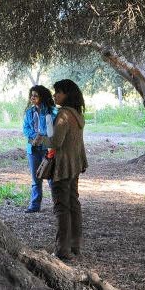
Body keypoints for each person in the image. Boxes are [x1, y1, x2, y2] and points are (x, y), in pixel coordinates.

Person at [49, 79, 88, 261]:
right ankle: (75, 246)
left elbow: (56, 141)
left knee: (62, 207)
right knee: (73, 204)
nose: (55, 95)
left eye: (58, 92)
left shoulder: (64, 114)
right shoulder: (77, 115)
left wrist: (41, 139)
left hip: (62, 167)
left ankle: (62, 250)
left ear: (67, 94)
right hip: (75, 165)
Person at [22, 85, 57, 213]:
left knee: (51, 177)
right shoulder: (29, 112)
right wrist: (34, 136)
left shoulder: (51, 110)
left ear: (42, 96)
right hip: (32, 148)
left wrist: (41, 135)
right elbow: (25, 128)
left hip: (47, 147)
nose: (32, 98)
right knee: (35, 178)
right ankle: (34, 206)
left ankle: (57, 204)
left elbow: (52, 127)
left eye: (35, 95)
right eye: (31, 95)